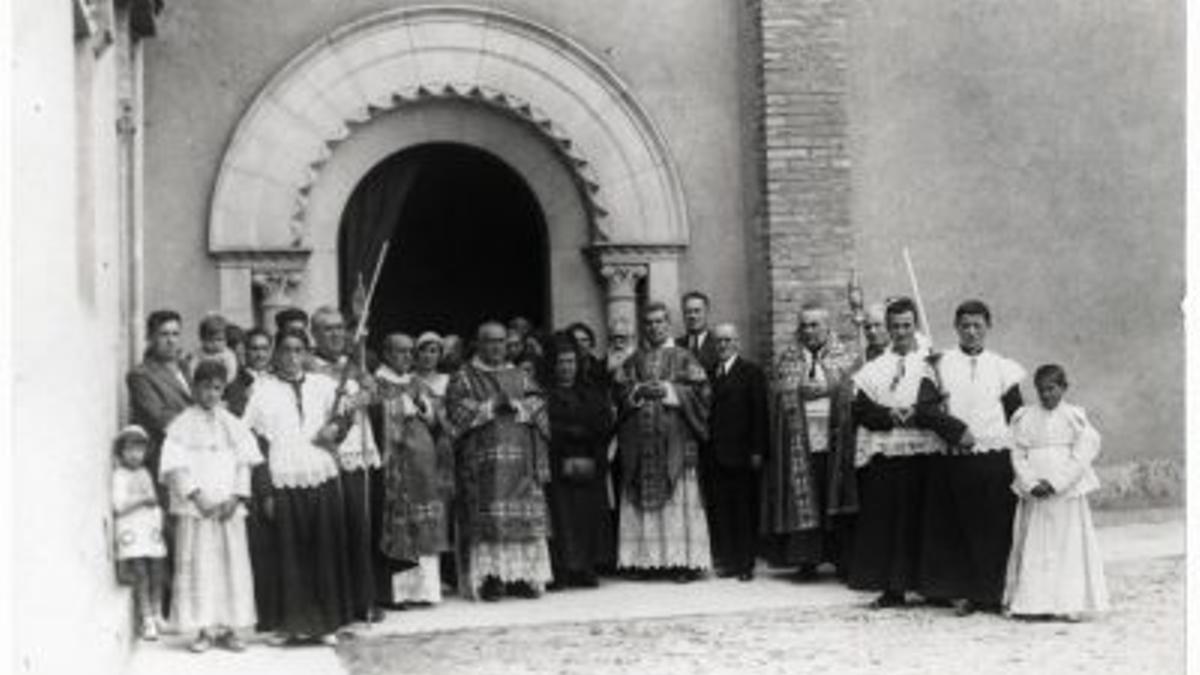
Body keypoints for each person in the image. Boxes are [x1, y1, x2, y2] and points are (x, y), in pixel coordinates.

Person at [242, 329, 355, 645]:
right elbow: (254, 445)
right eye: (286, 350)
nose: (292, 357)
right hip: (283, 476)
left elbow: (345, 416)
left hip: (320, 472)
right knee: (288, 553)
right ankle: (288, 624)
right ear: (276, 353)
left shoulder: (323, 385)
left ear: (306, 353)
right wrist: (264, 490)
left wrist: (337, 427)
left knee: (324, 549)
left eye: (298, 350)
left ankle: (326, 623)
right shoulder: (261, 391)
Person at [918, 300, 1026, 616]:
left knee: (994, 528)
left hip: (993, 459)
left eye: (977, 325)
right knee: (958, 526)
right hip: (953, 458)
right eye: (965, 325)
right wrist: (955, 430)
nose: (971, 332)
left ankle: (992, 593)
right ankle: (964, 592)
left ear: (988, 327)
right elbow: (924, 411)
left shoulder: (1003, 368)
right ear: (956, 328)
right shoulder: (938, 365)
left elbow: (1017, 417)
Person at [847, 297, 948, 608]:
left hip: (925, 452)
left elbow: (939, 403)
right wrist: (889, 416)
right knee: (890, 521)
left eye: (906, 325)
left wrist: (916, 412)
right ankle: (893, 588)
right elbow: (861, 410)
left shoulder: (933, 361)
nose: (901, 332)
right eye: (895, 326)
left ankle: (933, 587)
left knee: (927, 519)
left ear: (915, 325)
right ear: (887, 329)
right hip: (888, 454)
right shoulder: (875, 367)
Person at [159, 360, 262, 653]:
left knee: (232, 565)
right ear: (194, 389)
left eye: (217, 388)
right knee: (201, 566)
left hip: (228, 509)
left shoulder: (233, 423)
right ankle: (203, 628)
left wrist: (236, 496)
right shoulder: (182, 425)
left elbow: (245, 463)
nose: (211, 394)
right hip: (199, 509)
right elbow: (176, 468)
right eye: (205, 388)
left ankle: (230, 627)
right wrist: (196, 496)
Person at [446, 321, 553, 601]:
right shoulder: (464, 376)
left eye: (501, 341)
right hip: (484, 465)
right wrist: (490, 406)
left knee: (524, 519)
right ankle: (492, 578)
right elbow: (455, 411)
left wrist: (520, 405)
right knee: (489, 521)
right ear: (478, 344)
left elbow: (540, 404)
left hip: (521, 463)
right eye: (490, 342)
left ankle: (522, 577)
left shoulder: (519, 374)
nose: (497, 347)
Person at [614, 302, 712, 581]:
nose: (654, 327)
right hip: (641, 445)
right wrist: (637, 391)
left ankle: (682, 562)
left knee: (678, 501)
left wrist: (670, 390)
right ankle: (646, 562)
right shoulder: (634, 360)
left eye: (659, 321)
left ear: (669, 324)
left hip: (675, 445)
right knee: (640, 502)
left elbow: (703, 393)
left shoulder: (685, 357)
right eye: (648, 322)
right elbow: (618, 394)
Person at [761, 304, 858, 580]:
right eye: (804, 325)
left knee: (835, 495)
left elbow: (853, 391)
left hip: (835, 439)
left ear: (828, 327)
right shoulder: (789, 359)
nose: (809, 330)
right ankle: (807, 560)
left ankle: (842, 559)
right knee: (805, 497)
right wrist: (795, 391)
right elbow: (778, 394)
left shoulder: (845, 358)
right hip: (799, 442)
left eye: (815, 325)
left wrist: (832, 388)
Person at [1004, 364, 1108, 620]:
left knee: (1067, 545)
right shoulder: (1024, 417)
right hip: (1036, 495)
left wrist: (1057, 483)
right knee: (1035, 545)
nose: (1046, 395)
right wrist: (1031, 483)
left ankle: (1068, 603)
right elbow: (1018, 453)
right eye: (1041, 390)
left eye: (1051, 389)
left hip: (1066, 494)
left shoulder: (1075, 417)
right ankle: (1033, 604)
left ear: (1064, 388)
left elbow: (1083, 454)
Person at [309, 306, 386, 622]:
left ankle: (364, 597)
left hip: (359, 452)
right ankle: (335, 601)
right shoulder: (308, 366)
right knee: (332, 531)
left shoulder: (354, 363)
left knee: (361, 526)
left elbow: (377, 394)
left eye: (340, 328)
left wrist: (370, 392)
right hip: (327, 455)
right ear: (314, 334)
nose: (336, 334)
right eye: (327, 329)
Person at [377, 332, 453, 607]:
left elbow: (435, 421)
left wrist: (426, 409)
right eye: (401, 352)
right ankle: (399, 592)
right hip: (396, 461)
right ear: (386, 353)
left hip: (423, 460)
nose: (408, 357)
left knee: (424, 522)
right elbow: (379, 419)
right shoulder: (378, 381)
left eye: (411, 352)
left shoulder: (415, 381)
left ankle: (425, 590)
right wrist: (399, 406)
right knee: (399, 524)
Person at [545, 337, 615, 588]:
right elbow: (545, 427)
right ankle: (562, 569)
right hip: (557, 463)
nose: (567, 367)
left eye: (571, 361)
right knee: (562, 518)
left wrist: (583, 434)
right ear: (553, 365)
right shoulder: (545, 394)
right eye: (562, 362)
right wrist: (568, 433)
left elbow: (604, 423)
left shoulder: (590, 392)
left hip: (587, 459)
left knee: (587, 516)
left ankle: (586, 567)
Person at [223, 328, 280, 632]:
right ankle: (262, 612)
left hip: (282, 465)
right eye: (254, 349)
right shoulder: (234, 388)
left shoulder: (276, 382)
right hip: (253, 469)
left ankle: (282, 607)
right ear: (244, 351)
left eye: (264, 348)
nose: (259, 354)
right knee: (258, 542)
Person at [705, 324, 767, 581]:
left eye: (728, 340)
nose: (723, 345)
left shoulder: (751, 372)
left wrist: (758, 450)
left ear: (737, 343)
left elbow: (759, 414)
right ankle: (729, 561)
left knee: (744, 509)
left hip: (743, 454)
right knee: (722, 509)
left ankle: (745, 563)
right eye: (719, 341)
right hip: (715, 454)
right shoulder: (709, 373)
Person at [111, 425, 168, 640]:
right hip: (132, 530)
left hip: (148, 529)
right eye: (130, 449)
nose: (135, 455)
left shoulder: (145, 473)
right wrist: (143, 500)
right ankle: (147, 619)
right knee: (142, 575)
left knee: (157, 571)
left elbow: (152, 499)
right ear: (121, 452)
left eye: (140, 450)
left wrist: (153, 506)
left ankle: (157, 611)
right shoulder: (119, 475)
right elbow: (119, 506)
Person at [127, 310, 193, 482]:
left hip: (195, 456)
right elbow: (160, 418)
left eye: (175, 334)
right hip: (164, 460)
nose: (171, 341)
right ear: (150, 337)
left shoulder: (186, 368)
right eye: (164, 334)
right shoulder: (140, 375)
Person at [676, 291, 719, 375]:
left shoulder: (719, 344)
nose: (692, 316)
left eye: (697, 311)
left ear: (707, 312)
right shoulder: (675, 345)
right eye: (688, 312)